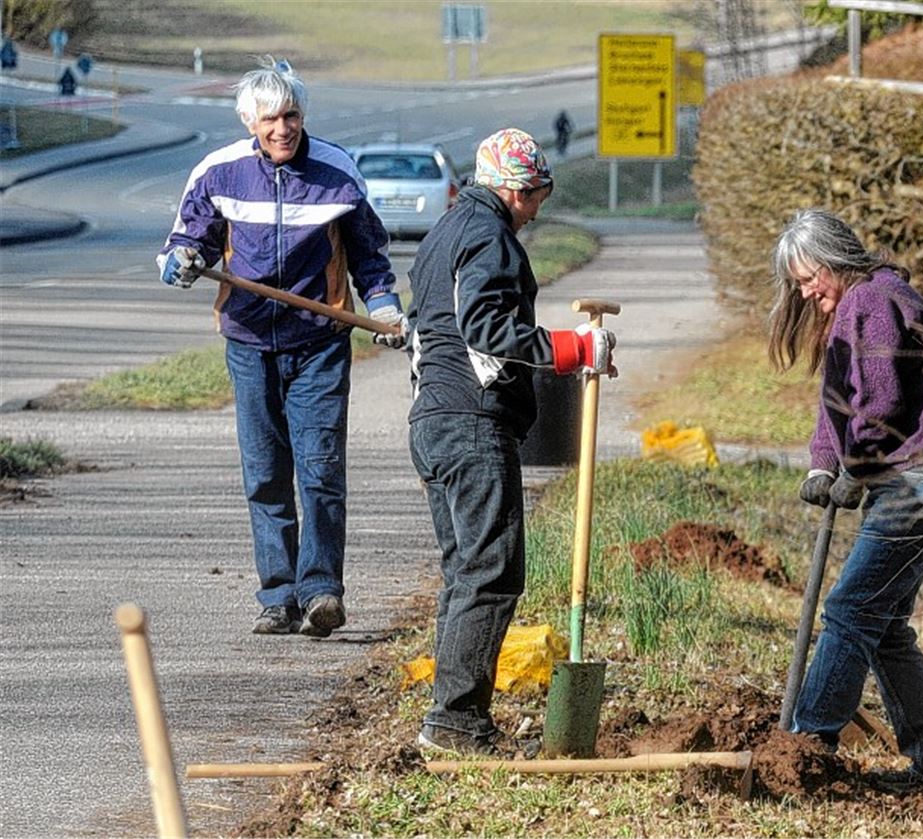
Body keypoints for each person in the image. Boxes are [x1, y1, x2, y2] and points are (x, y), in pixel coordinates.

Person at [156, 57, 406, 638]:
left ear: (302, 115)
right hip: (249, 343)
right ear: (250, 122)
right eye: (269, 119)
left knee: (319, 468)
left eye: (291, 115)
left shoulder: (337, 172)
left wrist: (385, 305)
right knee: (265, 473)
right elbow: (181, 246)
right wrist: (183, 264)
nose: (282, 129)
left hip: (320, 342)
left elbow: (370, 254)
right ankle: (278, 596)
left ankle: (321, 591)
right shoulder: (218, 173)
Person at [406, 127, 616, 756]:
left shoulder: (443, 234)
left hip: (431, 423)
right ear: (514, 190)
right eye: (534, 197)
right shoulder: (489, 236)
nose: (536, 211)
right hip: (472, 425)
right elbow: (486, 326)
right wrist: (573, 348)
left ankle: (448, 717)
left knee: (464, 572)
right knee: (493, 572)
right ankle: (455, 723)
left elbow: (432, 322)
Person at [769, 208, 923, 798]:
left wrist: (856, 470)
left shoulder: (874, 300)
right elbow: (837, 401)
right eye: (797, 282)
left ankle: (806, 747)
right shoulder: (855, 307)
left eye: (810, 274)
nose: (807, 289)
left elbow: (880, 403)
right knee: (884, 628)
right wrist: (823, 462)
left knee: (849, 611)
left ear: (837, 258)